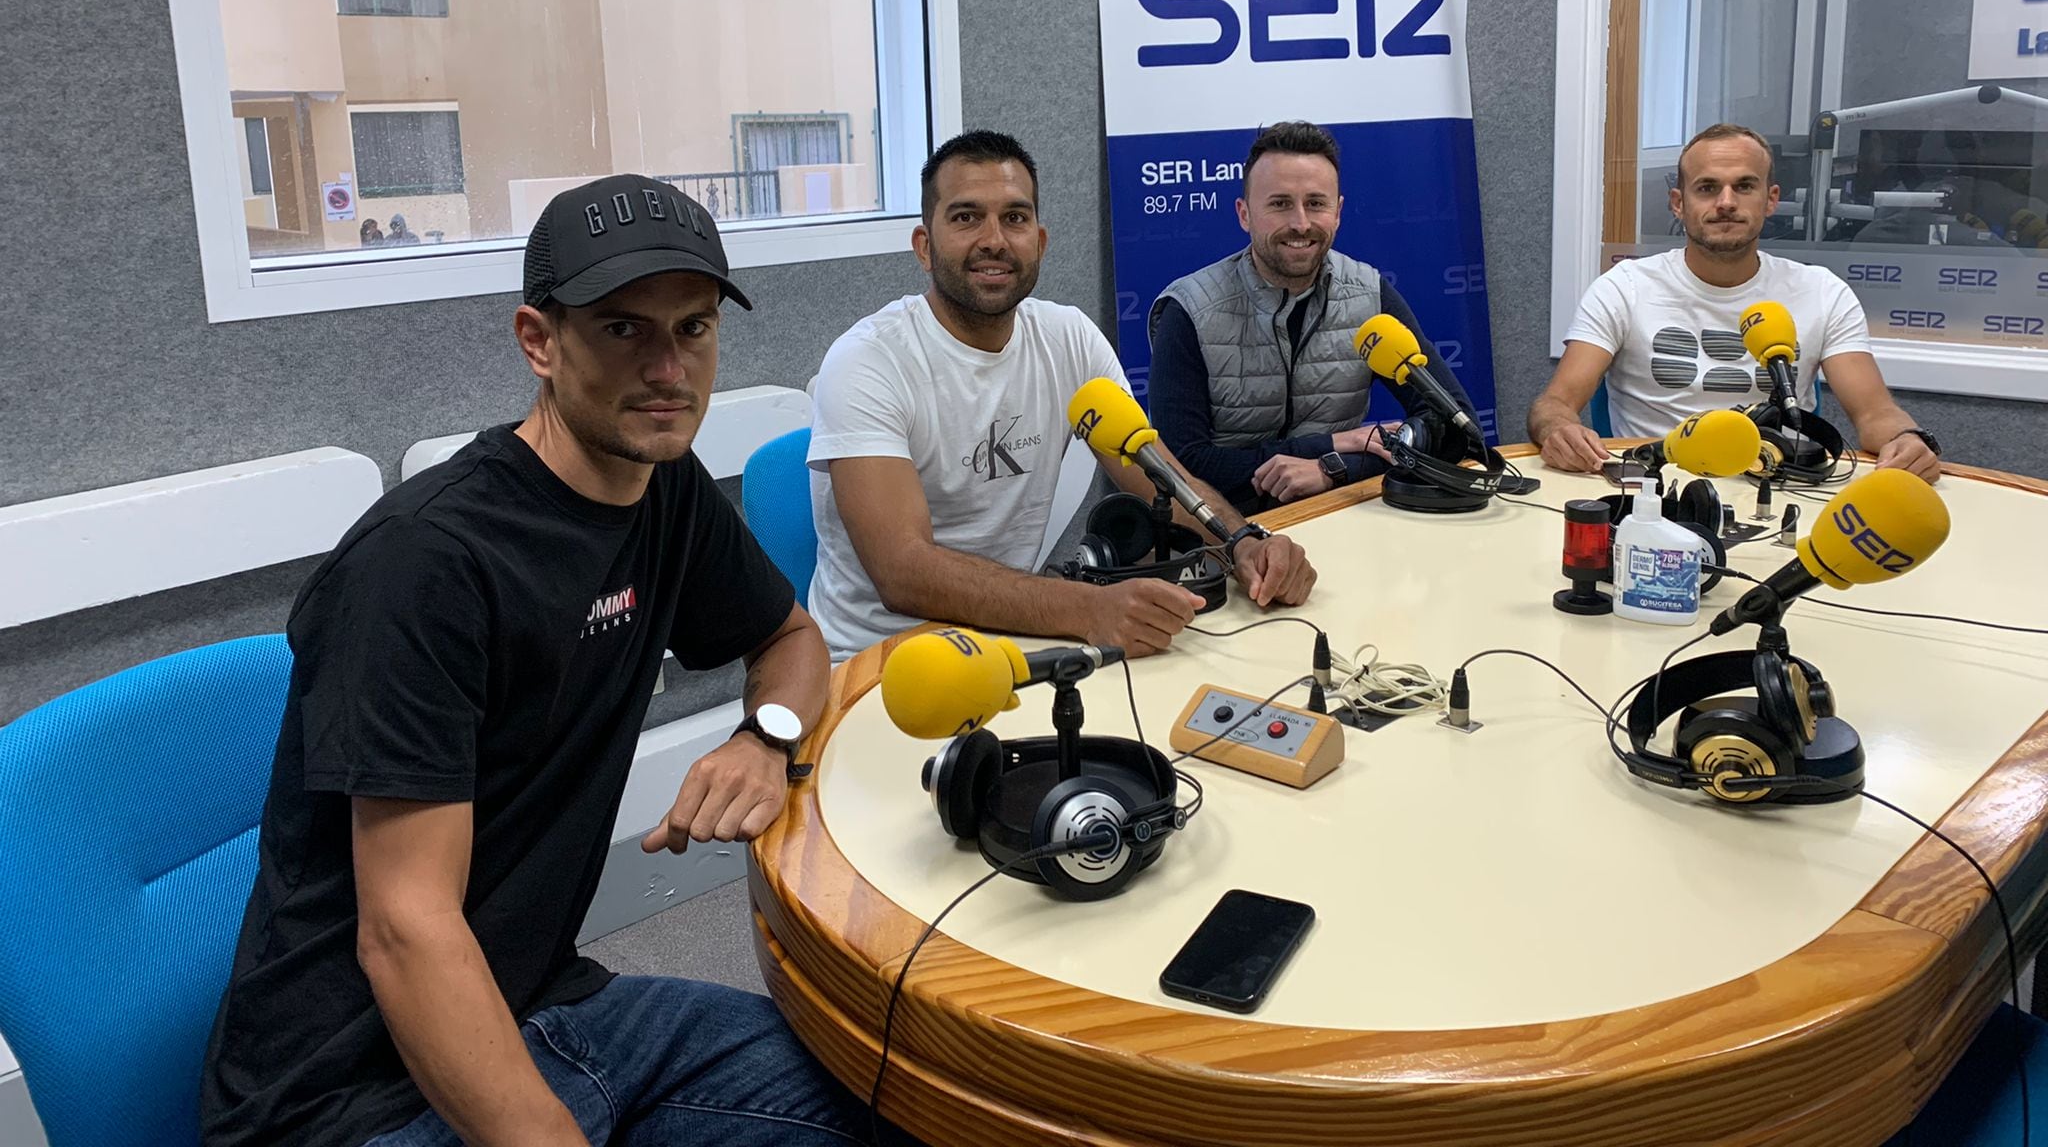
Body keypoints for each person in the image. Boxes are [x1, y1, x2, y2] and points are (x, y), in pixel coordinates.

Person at [201, 174, 915, 1147]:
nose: (669, 367)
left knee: (899, 1102)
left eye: (694, 329)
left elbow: (788, 640)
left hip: (554, 1009)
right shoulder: (423, 566)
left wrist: (766, 736)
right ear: (540, 342)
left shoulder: (663, 488)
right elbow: (405, 932)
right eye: (623, 330)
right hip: (355, 1098)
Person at [807, 131, 1317, 662]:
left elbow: (1159, 478)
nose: (994, 240)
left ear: (1040, 241)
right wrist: (1086, 609)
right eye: (965, 217)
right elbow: (903, 572)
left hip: (1012, 642)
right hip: (875, 663)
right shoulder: (867, 360)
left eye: (1015, 218)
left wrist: (1243, 543)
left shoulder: (1068, 338)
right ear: (924, 246)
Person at [1528, 124, 1942, 483]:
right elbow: (1556, 403)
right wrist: (1557, 430)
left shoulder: (1821, 292)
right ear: (1678, 203)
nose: (1726, 202)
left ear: (1771, 199)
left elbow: (1874, 414)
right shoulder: (1624, 287)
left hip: (1777, 483)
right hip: (1655, 487)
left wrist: (1906, 439)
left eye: (1744, 186)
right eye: (1707, 188)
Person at [1147, 121, 1477, 511]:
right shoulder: (1189, 308)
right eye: (1280, 203)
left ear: (1337, 212)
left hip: (1341, 518)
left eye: (1316, 203)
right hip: (1224, 534)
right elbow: (1182, 467)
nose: (1301, 223)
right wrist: (1331, 444)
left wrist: (1334, 467)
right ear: (1244, 214)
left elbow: (1456, 428)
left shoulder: (1368, 293)